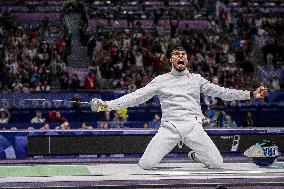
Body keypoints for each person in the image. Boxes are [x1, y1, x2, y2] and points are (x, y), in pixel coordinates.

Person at [91, 47, 268, 170]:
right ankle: (193, 152)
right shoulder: (161, 80)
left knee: (217, 162)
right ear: (171, 60)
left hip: (193, 126)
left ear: (187, 60)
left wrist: (251, 94)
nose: (180, 56)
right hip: (169, 127)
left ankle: (196, 155)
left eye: (183, 54)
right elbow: (136, 96)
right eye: (176, 54)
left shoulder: (197, 79)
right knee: (146, 164)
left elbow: (222, 92)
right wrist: (108, 105)